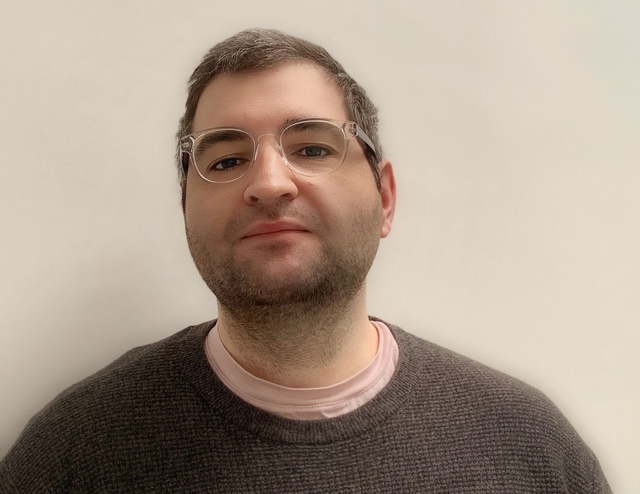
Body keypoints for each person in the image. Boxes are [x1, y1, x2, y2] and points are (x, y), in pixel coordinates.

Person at [0, 29, 611, 493]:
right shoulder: (71, 458)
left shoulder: (531, 450)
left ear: (385, 199)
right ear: (185, 207)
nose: (269, 183)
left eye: (313, 147)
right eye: (227, 159)